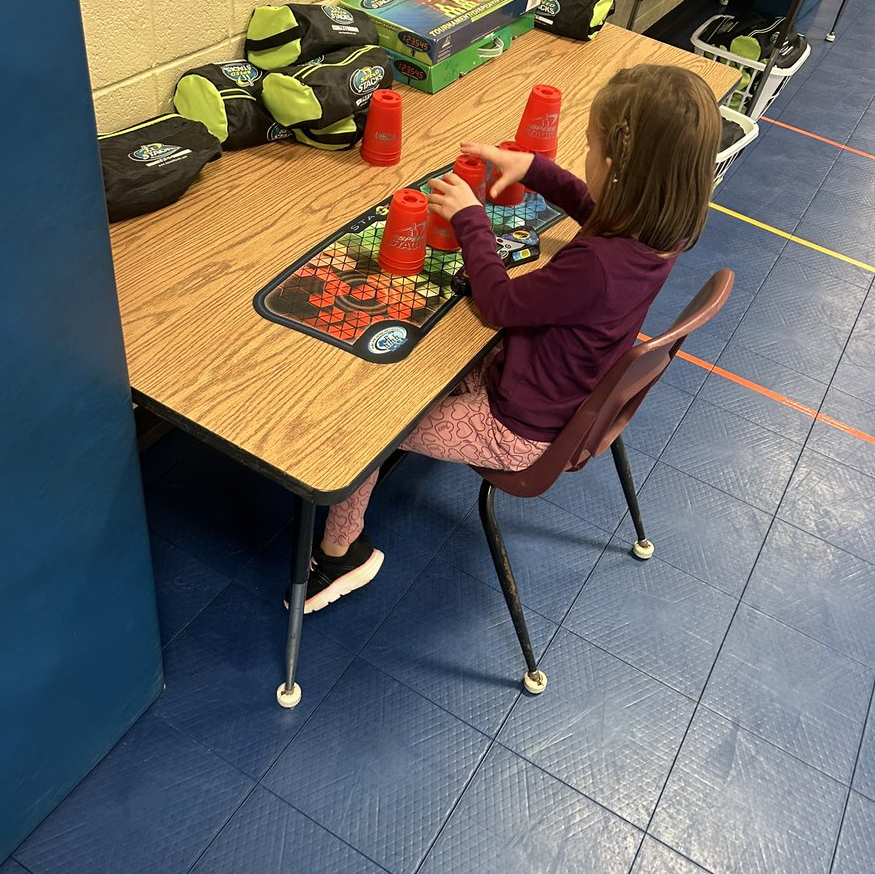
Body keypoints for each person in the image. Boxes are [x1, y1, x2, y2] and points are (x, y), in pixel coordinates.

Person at [291, 63, 721, 613]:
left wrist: (472, 219)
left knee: (368, 434)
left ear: (614, 169)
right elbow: (593, 210)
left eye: (586, 147)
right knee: (412, 367)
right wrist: (535, 169)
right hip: (547, 387)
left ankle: (340, 554)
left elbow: (498, 305)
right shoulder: (660, 233)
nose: (581, 156)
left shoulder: (598, 265)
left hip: (514, 428)